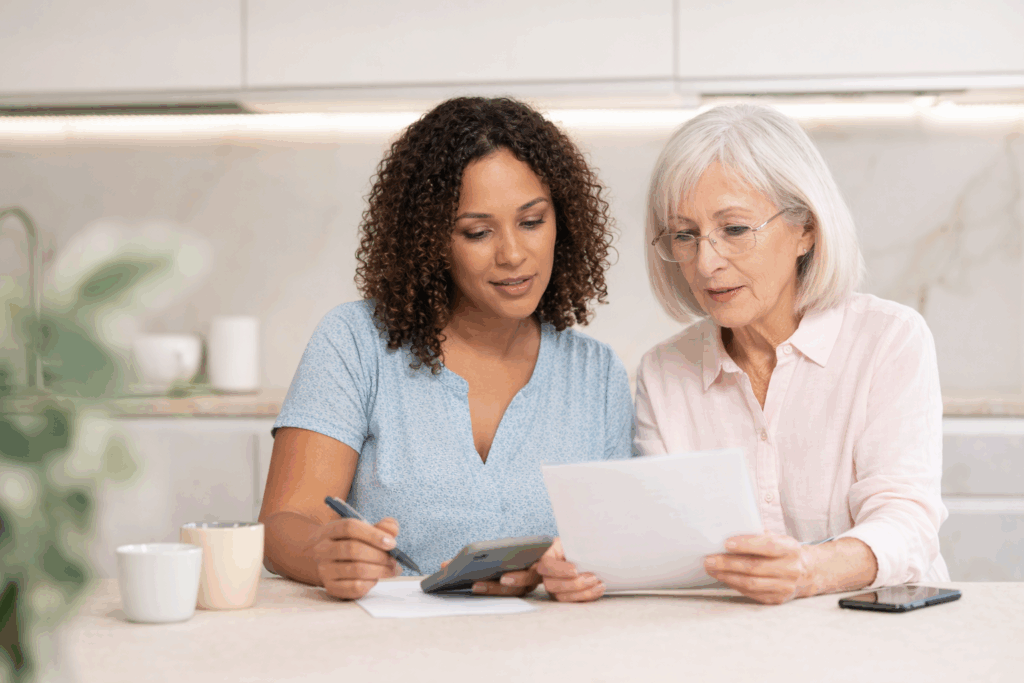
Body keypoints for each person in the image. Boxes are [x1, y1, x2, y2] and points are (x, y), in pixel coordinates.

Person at [538, 103, 949, 604]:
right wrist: (589, 564)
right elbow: (666, 547)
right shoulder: (665, 371)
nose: (707, 263)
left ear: (806, 230)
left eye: (734, 229)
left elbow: (907, 520)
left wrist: (811, 570)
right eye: (685, 235)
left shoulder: (888, 339)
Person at [258, 96, 632, 600]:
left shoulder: (597, 374)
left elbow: (611, 548)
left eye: (532, 221)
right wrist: (324, 553)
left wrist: (568, 573)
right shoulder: (355, 342)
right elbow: (286, 521)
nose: (513, 254)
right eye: (477, 232)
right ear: (430, 240)